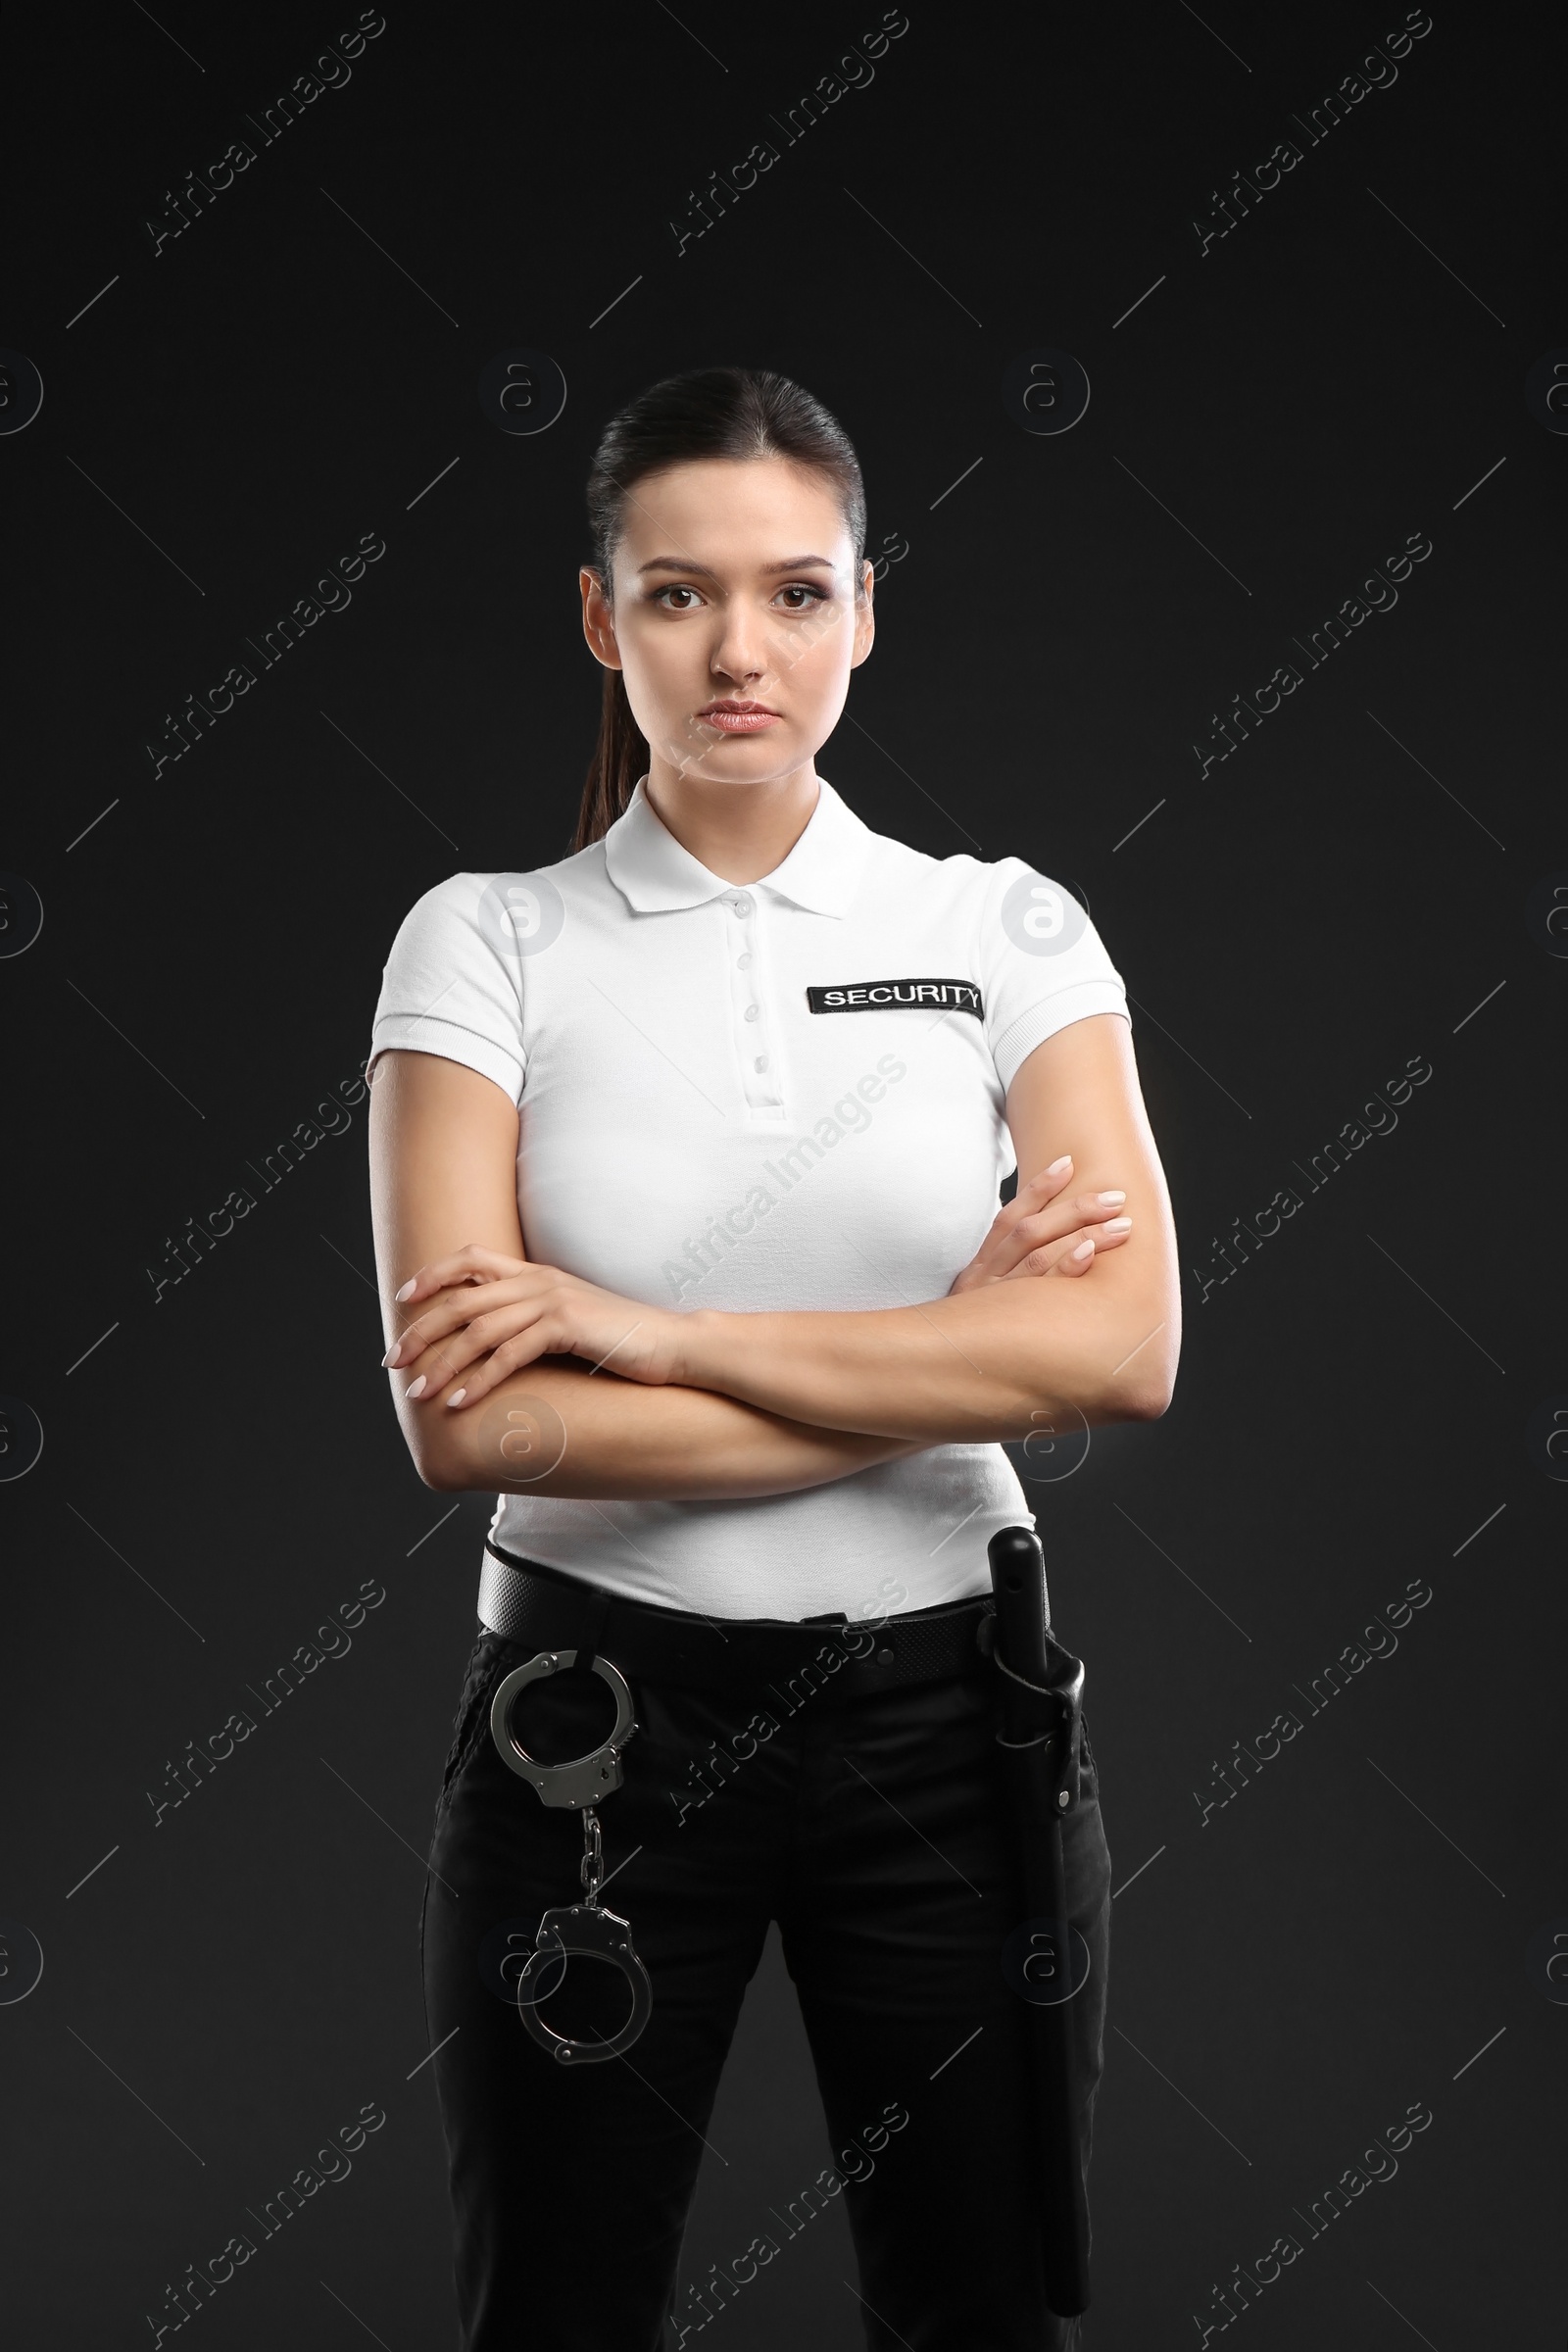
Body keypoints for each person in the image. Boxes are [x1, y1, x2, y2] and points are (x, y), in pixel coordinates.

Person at [367, 366, 1180, 2351]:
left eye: (794, 593)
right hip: (594, 1737)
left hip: (941, 1729)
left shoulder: (1002, 931)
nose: (740, 648)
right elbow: (471, 1419)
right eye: (676, 594)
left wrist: (650, 1335)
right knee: (557, 2317)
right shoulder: (483, 947)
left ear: (864, 609)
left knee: (978, 2315)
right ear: (598, 617)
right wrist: (955, 1357)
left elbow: (1125, 1346)